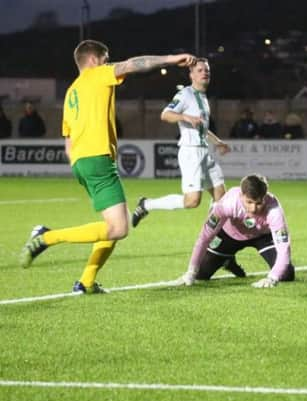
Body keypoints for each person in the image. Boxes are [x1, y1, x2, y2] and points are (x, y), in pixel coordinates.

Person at [19, 39, 197, 294]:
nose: (108, 62)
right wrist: (171, 59)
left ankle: (86, 281)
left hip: (82, 162)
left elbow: (67, 141)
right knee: (119, 227)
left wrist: (82, 163)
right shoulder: (98, 75)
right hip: (97, 158)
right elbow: (135, 64)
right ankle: (46, 236)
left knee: (113, 224)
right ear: (93, 59)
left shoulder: (72, 92)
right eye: (105, 58)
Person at [130, 58, 244, 277]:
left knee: (223, 201)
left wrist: (217, 141)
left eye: (207, 70)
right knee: (192, 201)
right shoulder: (185, 95)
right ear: (191, 75)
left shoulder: (202, 97)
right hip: (191, 152)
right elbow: (165, 114)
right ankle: (146, 204)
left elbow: (201, 127)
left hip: (205, 152)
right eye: (200, 70)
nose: (204, 73)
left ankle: (222, 253)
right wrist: (184, 116)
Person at [181, 173, 295, 288]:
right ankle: (227, 260)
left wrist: (272, 278)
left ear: (265, 196)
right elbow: (204, 237)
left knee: (286, 274)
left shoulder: (274, 210)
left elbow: (284, 248)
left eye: (259, 203)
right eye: (249, 202)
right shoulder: (227, 203)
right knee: (201, 274)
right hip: (229, 235)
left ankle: (226, 258)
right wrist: (191, 270)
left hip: (262, 237)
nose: (254, 209)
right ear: (241, 195)